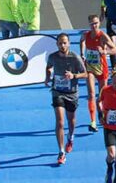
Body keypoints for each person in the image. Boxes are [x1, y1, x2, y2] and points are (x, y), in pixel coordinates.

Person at [45, 33, 87, 165]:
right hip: (58, 92)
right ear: (57, 44)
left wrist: (73, 75)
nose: (62, 45)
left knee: (71, 121)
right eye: (60, 43)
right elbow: (48, 67)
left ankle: (71, 137)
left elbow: (85, 73)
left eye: (65, 43)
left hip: (72, 93)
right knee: (60, 122)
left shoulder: (75, 58)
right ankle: (61, 151)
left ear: (69, 43)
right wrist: (47, 77)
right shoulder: (52, 57)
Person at [80, 15, 116, 133]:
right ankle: (93, 122)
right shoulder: (86, 35)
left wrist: (104, 51)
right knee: (91, 94)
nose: (94, 26)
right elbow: (81, 41)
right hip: (90, 67)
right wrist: (82, 53)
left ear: (99, 23)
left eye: (96, 23)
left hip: (102, 68)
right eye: (92, 24)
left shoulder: (102, 36)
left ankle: (102, 115)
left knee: (102, 95)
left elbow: (115, 50)